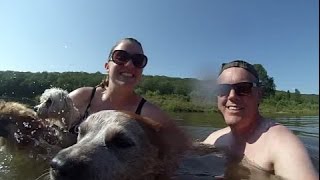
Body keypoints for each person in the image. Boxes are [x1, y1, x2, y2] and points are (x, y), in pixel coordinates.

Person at [68, 37, 191, 150]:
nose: (129, 65)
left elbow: (184, 147)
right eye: (121, 57)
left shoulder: (149, 114)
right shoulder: (82, 97)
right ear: (107, 66)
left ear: (141, 70)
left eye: (138, 60)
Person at [203, 60, 318, 180]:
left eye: (243, 88)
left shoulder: (281, 143)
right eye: (223, 89)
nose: (232, 96)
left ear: (259, 94)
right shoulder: (214, 139)